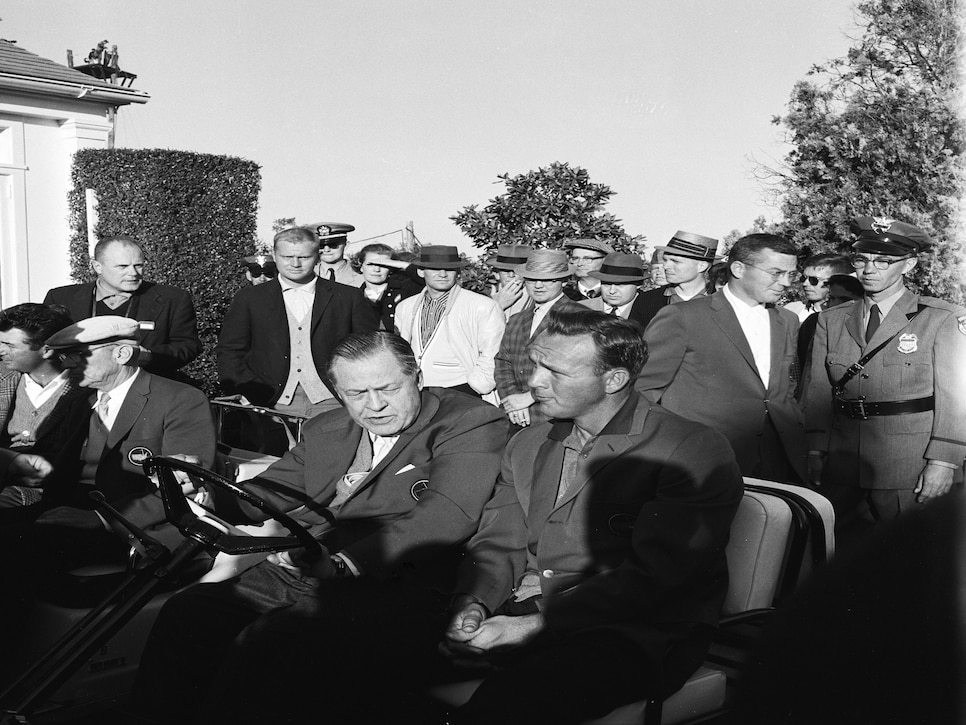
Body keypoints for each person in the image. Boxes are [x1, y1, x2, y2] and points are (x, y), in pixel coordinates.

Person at [182, 310, 743, 725]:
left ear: (614, 379)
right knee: (328, 655)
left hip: (626, 632)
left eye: (553, 372)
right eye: (536, 366)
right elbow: (500, 539)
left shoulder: (690, 448)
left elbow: (656, 580)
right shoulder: (532, 445)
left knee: (499, 710)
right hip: (518, 611)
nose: (533, 383)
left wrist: (532, 624)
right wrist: (471, 605)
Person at [132, 331, 509, 723]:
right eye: (357, 394)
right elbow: (272, 489)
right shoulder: (328, 428)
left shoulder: (467, 422)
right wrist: (206, 493)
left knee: (270, 644)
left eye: (388, 389)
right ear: (337, 391)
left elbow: (446, 513)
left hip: (396, 582)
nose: (375, 405)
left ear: (416, 375)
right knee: (190, 612)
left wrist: (345, 562)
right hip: (306, 569)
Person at [0, 316, 215, 685]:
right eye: (66, 356)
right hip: (74, 509)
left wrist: (100, 520)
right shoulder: (81, 400)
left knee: (11, 549)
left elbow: (183, 488)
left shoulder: (180, 399)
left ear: (122, 352)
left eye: (79, 354)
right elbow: (58, 468)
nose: (68, 364)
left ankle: (11, 678)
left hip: (133, 526)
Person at [805, 217, 966, 524]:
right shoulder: (832, 319)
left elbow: (957, 398)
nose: (869, 270)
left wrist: (944, 462)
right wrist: (815, 450)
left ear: (908, 265)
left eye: (883, 261)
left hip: (908, 465)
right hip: (843, 464)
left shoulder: (941, 318)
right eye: (861, 260)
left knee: (911, 562)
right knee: (843, 560)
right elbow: (819, 392)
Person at [637, 233, 808, 484]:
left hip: (776, 459)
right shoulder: (682, 316)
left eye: (791, 274)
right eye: (775, 273)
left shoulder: (788, 320)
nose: (785, 283)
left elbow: (783, 391)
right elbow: (644, 390)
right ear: (738, 268)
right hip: (702, 461)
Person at [217, 226, 378, 418]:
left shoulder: (348, 297)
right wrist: (246, 392)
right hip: (268, 402)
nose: (295, 264)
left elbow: (368, 350)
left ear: (317, 257)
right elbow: (230, 351)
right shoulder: (249, 298)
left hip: (333, 401)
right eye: (287, 257)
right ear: (275, 256)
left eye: (303, 257)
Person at [44, 236, 203, 380]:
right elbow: (44, 343)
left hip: (143, 389)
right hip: (77, 390)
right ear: (97, 267)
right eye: (122, 266)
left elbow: (188, 346)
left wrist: (147, 356)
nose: (133, 273)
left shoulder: (172, 299)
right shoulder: (60, 298)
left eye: (138, 266)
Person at [0, 303, 85, 507]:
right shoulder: (4, 380)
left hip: (54, 495)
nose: (1, 351)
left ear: (47, 350)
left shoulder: (88, 388)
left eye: (10, 345)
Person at [394, 245, 505, 396]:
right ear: (421, 271)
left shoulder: (483, 306)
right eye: (434, 269)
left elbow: (493, 352)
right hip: (417, 389)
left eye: (449, 269)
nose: (442, 274)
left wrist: (477, 386)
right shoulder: (405, 307)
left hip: (461, 389)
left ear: (458, 272)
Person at [494, 249, 583, 427]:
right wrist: (513, 401)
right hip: (514, 417)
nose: (539, 286)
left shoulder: (579, 316)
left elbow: (579, 370)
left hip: (557, 419)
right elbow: (503, 362)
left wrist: (530, 397)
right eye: (532, 279)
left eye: (548, 279)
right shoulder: (517, 319)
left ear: (563, 281)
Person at [635, 231, 720, 331]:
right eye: (666, 260)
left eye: (676, 261)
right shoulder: (647, 300)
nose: (666, 266)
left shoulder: (724, 302)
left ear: (701, 266)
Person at [354, 243, 423, 330]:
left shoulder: (405, 288)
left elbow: (427, 279)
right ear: (361, 266)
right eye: (370, 264)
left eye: (383, 265)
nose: (376, 270)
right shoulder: (354, 295)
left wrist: (402, 265)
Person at [580, 252, 649, 327]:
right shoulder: (580, 310)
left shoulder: (651, 312)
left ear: (638, 284)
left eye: (620, 284)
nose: (612, 291)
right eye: (606, 284)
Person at [783, 252, 853, 322]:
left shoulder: (852, 317)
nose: (805, 283)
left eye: (813, 280)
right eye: (803, 278)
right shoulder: (790, 310)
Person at [306, 221, 362, 286]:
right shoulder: (306, 273)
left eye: (333, 245)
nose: (326, 250)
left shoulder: (361, 273)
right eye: (320, 245)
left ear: (346, 245)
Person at [487, 244, 532, 320]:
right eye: (506, 271)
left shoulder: (535, 299)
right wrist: (498, 305)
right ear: (496, 274)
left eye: (517, 271)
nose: (511, 275)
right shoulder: (484, 299)